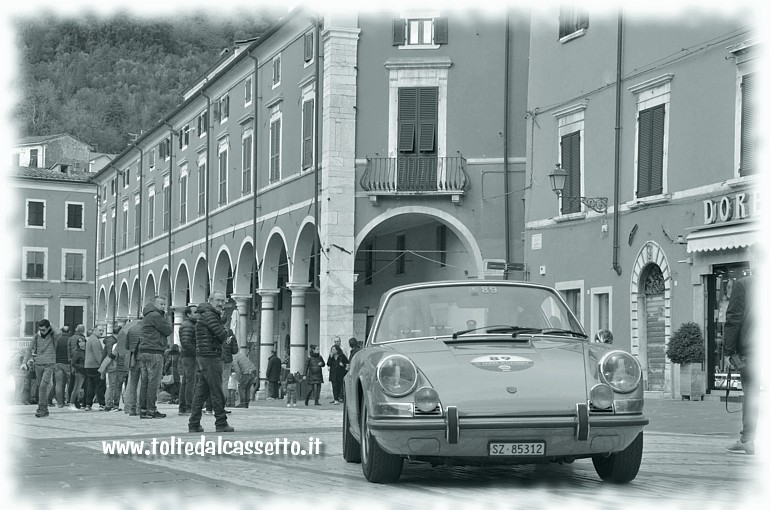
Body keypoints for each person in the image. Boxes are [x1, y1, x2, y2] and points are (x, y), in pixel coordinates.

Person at [188, 291, 234, 433]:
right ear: (210, 300)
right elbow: (221, 335)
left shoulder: (205, 314)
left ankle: (194, 423)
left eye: (223, 301)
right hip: (211, 356)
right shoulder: (210, 315)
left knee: (202, 391)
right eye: (218, 300)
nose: (220, 304)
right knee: (216, 390)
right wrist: (226, 331)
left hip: (204, 355)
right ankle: (221, 422)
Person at [723, 272, 756, 455]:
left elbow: (733, 319)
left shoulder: (744, 284)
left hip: (752, 351)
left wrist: (729, 351)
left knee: (751, 393)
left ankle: (747, 439)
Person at [138, 295, 172, 419]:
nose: (163, 306)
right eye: (161, 304)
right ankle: (151, 409)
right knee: (153, 382)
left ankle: (143, 409)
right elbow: (168, 330)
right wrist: (166, 316)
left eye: (164, 304)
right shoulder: (156, 316)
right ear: (155, 304)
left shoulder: (147, 315)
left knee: (145, 382)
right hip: (154, 351)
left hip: (144, 351)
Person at [21, 319, 59, 417]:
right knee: (41, 387)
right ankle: (45, 410)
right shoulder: (36, 336)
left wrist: (51, 324)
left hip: (49, 363)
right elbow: (29, 349)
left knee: (42, 386)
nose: (41, 331)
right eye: (40, 329)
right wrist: (24, 362)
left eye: (43, 330)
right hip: (38, 364)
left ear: (48, 328)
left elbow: (59, 333)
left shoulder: (53, 336)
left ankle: (41, 409)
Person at [178, 306, 198, 416]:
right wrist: (196, 352)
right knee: (190, 381)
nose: (198, 314)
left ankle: (183, 406)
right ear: (188, 314)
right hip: (189, 356)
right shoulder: (188, 325)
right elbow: (186, 342)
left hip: (187, 355)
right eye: (195, 312)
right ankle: (188, 406)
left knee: (186, 382)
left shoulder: (189, 324)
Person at [122, 319, 142, 416]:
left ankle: (130, 408)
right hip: (142, 357)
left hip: (132, 358)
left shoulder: (131, 329)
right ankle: (139, 407)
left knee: (132, 384)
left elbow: (126, 346)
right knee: (141, 384)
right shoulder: (146, 329)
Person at [83, 324, 106, 411]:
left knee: (91, 386)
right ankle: (102, 404)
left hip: (88, 365)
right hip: (95, 366)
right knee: (100, 386)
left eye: (102, 331)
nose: (101, 332)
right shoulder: (95, 340)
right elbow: (98, 355)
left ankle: (88, 404)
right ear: (95, 330)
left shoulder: (90, 339)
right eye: (100, 330)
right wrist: (103, 365)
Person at [53, 324, 72, 408]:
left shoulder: (57, 339)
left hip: (57, 363)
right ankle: (69, 401)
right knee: (70, 383)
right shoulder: (70, 339)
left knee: (59, 384)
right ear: (69, 331)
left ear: (61, 331)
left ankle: (60, 403)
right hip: (67, 363)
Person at [67, 325, 87, 405]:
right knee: (77, 386)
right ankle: (73, 402)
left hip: (77, 367)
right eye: (80, 342)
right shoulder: (78, 350)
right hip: (79, 368)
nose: (81, 343)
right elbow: (74, 361)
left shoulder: (71, 338)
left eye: (82, 342)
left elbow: (68, 351)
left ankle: (74, 401)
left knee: (74, 384)